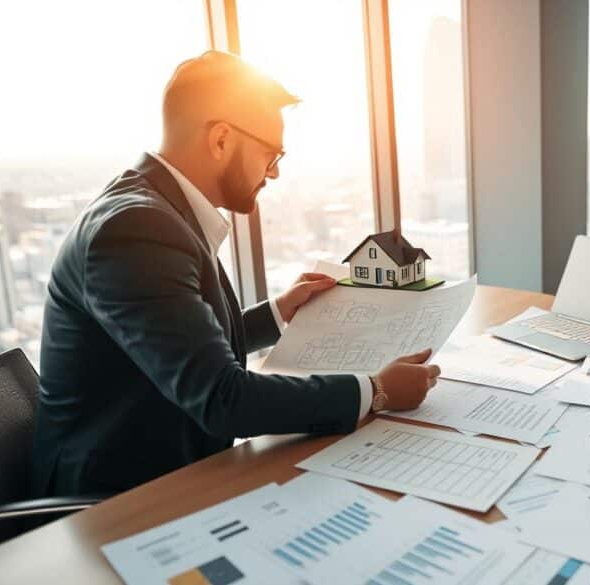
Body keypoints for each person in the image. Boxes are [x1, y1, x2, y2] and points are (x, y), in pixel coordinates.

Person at [32, 51, 439, 497]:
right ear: (222, 139)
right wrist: (376, 391)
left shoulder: (157, 209)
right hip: (114, 497)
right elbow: (223, 399)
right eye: (271, 153)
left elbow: (177, 345)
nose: (276, 171)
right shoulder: (135, 230)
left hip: (169, 464)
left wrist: (277, 314)